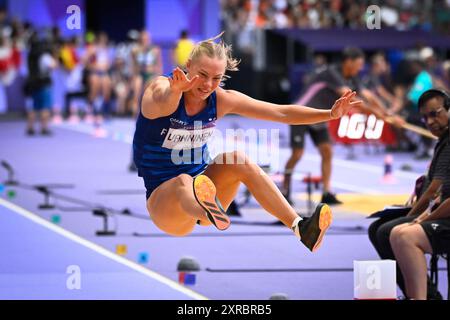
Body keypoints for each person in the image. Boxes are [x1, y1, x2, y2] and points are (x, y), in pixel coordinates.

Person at [133, 33, 362, 251]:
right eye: (202, 75)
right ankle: (207, 211)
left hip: (206, 186)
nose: (208, 85)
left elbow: (281, 113)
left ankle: (301, 228)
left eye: (217, 78)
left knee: (237, 159)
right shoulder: (161, 87)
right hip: (166, 204)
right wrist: (175, 92)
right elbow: (161, 103)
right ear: (188, 64)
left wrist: (329, 114)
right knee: (183, 181)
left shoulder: (220, 100)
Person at [281, 47, 392, 205]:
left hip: (319, 116)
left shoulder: (353, 77)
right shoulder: (331, 73)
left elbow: (368, 96)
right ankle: (285, 190)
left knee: (327, 151)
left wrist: (386, 113)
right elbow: (352, 101)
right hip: (301, 113)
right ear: (348, 62)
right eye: (358, 65)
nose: (360, 69)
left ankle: (326, 193)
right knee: (297, 154)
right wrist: (378, 115)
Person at [368, 89, 450, 299]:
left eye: (435, 114)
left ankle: (428, 296)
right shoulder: (443, 140)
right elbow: (436, 191)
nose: (430, 122)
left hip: (443, 215)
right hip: (439, 209)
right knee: (378, 228)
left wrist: (415, 217)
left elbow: (434, 191)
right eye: (425, 117)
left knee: (390, 232)